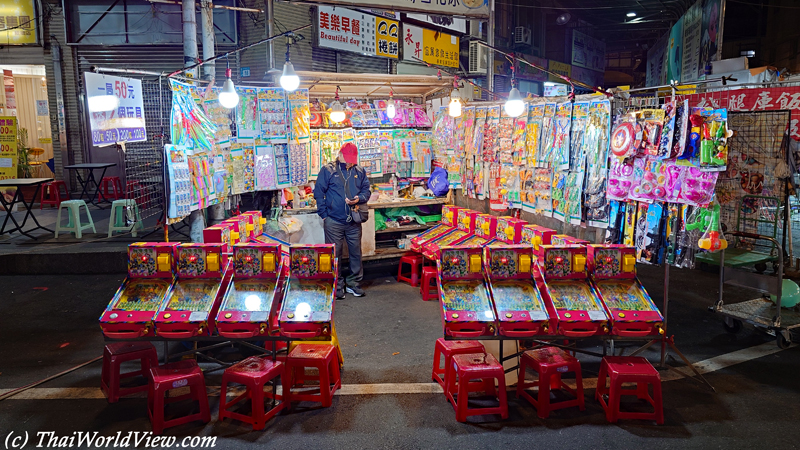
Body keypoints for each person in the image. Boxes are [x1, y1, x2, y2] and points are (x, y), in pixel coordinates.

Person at [313, 142, 372, 299]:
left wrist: (360, 198)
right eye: (347, 159)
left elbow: (367, 189)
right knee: (335, 254)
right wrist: (324, 214)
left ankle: (354, 284)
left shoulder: (359, 171)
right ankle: (337, 285)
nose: (349, 162)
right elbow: (319, 192)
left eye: (352, 159)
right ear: (339, 155)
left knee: (355, 253)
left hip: (354, 220)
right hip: (333, 220)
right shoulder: (328, 170)